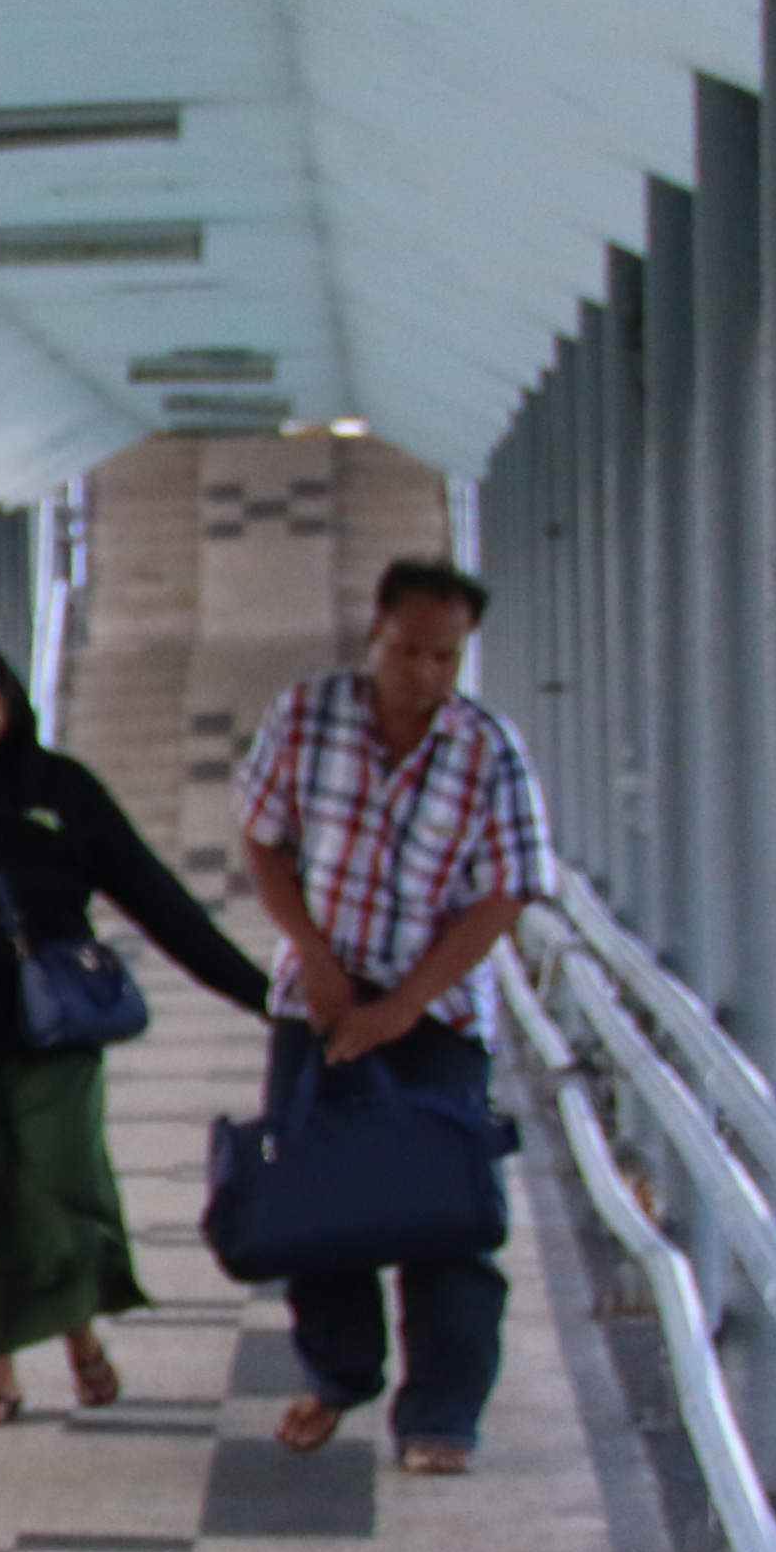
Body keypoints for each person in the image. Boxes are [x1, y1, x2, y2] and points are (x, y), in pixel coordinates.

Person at [0, 642, 273, 1426]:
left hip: (56, 1028)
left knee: (62, 1176)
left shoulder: (62, 790)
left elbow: (161, 903)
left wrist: (263, 995)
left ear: (15, 700)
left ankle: (79, 1335)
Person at [233, 557, 552, 1476]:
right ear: (374, 635)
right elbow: (263, 839)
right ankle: (339, 1372)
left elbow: (504, 895)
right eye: (409, 650)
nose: (424, 672)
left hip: (438, 1013)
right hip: (316, 998)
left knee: (447, 1211)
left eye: (445, 658)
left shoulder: (489, 750)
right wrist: (319, 959)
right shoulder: (306, 717)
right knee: (314, 1199)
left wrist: (406, 1004)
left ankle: (442, 1411)